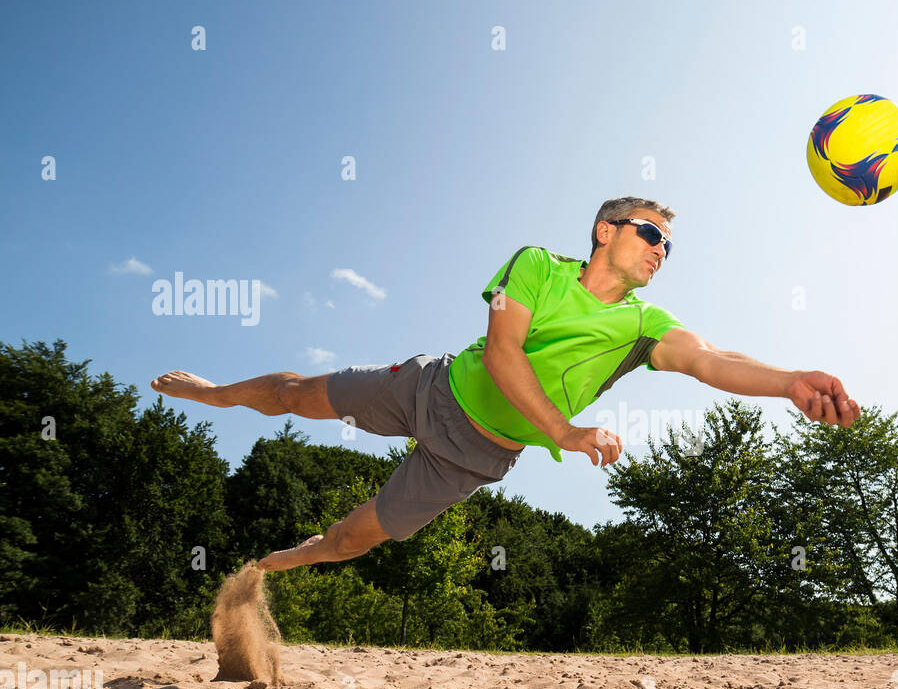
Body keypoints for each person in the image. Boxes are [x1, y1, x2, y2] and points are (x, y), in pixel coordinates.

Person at [150, 196, 861, 571]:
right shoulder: (538, 267)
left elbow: (709, 358)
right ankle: (214, 393)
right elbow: (501, 354)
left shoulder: (644, 324)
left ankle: (285, 561)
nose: (661, 251)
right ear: (605, 230)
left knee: (350, 541)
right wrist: (563, 432)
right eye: (650, 233)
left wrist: (790, 379)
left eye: (669, 246)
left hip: (470, 458)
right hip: (428, 390)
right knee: (296, 395)